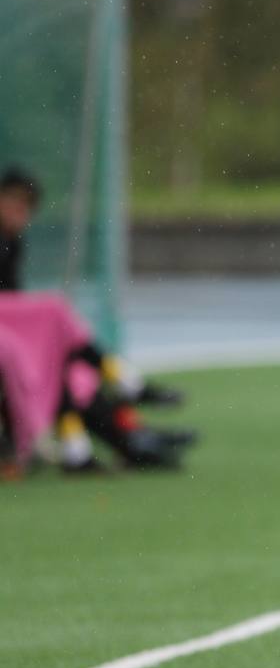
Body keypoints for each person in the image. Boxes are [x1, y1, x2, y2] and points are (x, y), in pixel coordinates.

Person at [0, 166, 192, 472]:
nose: (20, 212)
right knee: (53, 317)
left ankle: (122, 436)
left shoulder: (13, 243)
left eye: (27, 206)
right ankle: (125, 388)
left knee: (69, 366)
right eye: (13, 202)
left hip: (16, 337)